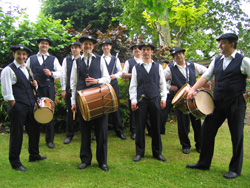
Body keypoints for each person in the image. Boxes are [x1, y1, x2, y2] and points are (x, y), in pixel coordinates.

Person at [186, 33, 250, 179]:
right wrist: (193, 89)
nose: (220, 46)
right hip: (218, 103)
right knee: (206, 130)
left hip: (236, 103)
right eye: (220, 43)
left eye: (223, 43)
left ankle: (235, 169)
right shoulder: (217, 61)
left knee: (236, 135)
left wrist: (247, 95)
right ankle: (203, 163)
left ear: (232, 44)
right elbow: (206, 76)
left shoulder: (244, 61)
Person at [1, 45, 46, 171]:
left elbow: (29, 87)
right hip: (18, 106)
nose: (21, 57)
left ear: (26, 56)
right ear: (13, 54)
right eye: (19, 54)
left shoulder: (27, 68)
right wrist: (15, 105)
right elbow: (7, 91)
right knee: (17, 134)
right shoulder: (8, 70)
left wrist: (34, 85)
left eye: (24, 54)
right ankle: (15, 162)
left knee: (34, 130)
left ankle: (34, 155)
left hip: (30, 105)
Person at [70, 35, 110, 171]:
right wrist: (73, 102)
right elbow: (73, 83)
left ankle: (102, 161)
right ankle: (85, 160)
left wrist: (96, 81)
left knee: (101, 132)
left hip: (99, 100)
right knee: (85, 132)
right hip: (82, 101)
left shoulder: (100, 60)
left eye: (90, 44)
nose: (87, 46)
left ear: (93, 47)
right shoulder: (76, 62)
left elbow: (107, 78)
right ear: (82, 46)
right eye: (85, 44)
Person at [162, 47, 208, 154]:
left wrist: (200, 86)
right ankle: (185, 145)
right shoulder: (170, 68)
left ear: (183, 55)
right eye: (175, 55)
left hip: (194, 98)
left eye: (180, 54)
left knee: (197, 122)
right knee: (182, 124)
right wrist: (169, 87)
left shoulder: (193, 66)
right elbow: (160, 79)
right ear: (173, 58)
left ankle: (199, 145)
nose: (178, 56)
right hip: (180, 100)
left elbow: (207, 73)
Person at [129, 43, 167, 162]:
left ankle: (157, 152)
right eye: (144, 50)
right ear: (141, 52)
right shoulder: (136, 67)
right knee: (140, 127)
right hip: (141, 100)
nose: (146, 52)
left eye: (148, 50)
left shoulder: (158, 67)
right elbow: (133, 85)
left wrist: (163, 98)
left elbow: (162, 84)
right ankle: (139, 153)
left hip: (155, 99)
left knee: (156, 126)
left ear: (151, 52)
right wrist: (133, 100)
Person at [26, 37, 62, 149]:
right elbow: (25, 72)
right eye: (42, 43)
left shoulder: (53, 59)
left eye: (46, 44)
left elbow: (60, 73)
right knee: (34, 113)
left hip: (48, 88)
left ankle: (50, 140)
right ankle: (34, 139)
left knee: (49, 113)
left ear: (49, 46)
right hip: (35, 89)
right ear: (38, 45)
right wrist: (31, 81)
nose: (44, 45)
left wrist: (51, 73)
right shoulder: (31, 59)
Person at [122, 44, 152, 140]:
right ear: (132, 51)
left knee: (148, 110)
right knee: (134, 111)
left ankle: (150, 130)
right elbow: (124, 74)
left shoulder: (149, 61)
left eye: (138, 49)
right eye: (134, 49)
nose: (136, 50)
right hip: (135, 89)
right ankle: (134, 131)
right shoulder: (129, 62)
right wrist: (135, 74)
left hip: (147, 89)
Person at [99, 39, 126, 140]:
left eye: (107, 45)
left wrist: (115, 75)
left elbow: (120, 72)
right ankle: (100, 130)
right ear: (102, 48)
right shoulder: (98, 59)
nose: (105, 47)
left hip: (113, 85)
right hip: (103, 86)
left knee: (115, 107)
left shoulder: (115, 59)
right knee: (102, 108)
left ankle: (119, 131)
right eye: (103, 46)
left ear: (110, 47)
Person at [61, 42, 81, 144]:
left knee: (83, 113)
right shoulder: (66, 60)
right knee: (69, 113)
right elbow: (63, 75)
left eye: (76, 48)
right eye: (72, 48)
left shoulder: (84, 60)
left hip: (82, 91)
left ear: (80, 49)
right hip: (70, 90)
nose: (74, 50)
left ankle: (85, 134)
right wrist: (63, 89)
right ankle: (69, 134)